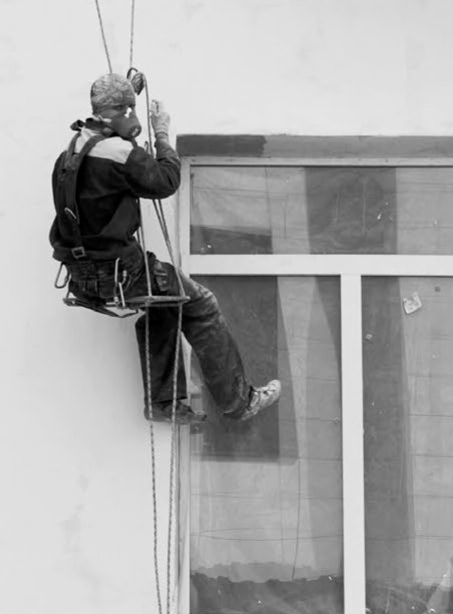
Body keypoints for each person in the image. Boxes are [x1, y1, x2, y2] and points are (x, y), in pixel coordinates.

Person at [50, 72, 282, 424]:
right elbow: (165, 181)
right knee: (201, 305)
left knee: (166, 306)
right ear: (124, 112)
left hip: (84, 275)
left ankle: (164, 403)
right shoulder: (118, 152)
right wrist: (161, 135)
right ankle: (239, 402)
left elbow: (103, 179)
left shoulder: (70, 153)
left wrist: (127, 100)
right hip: (123, 271)